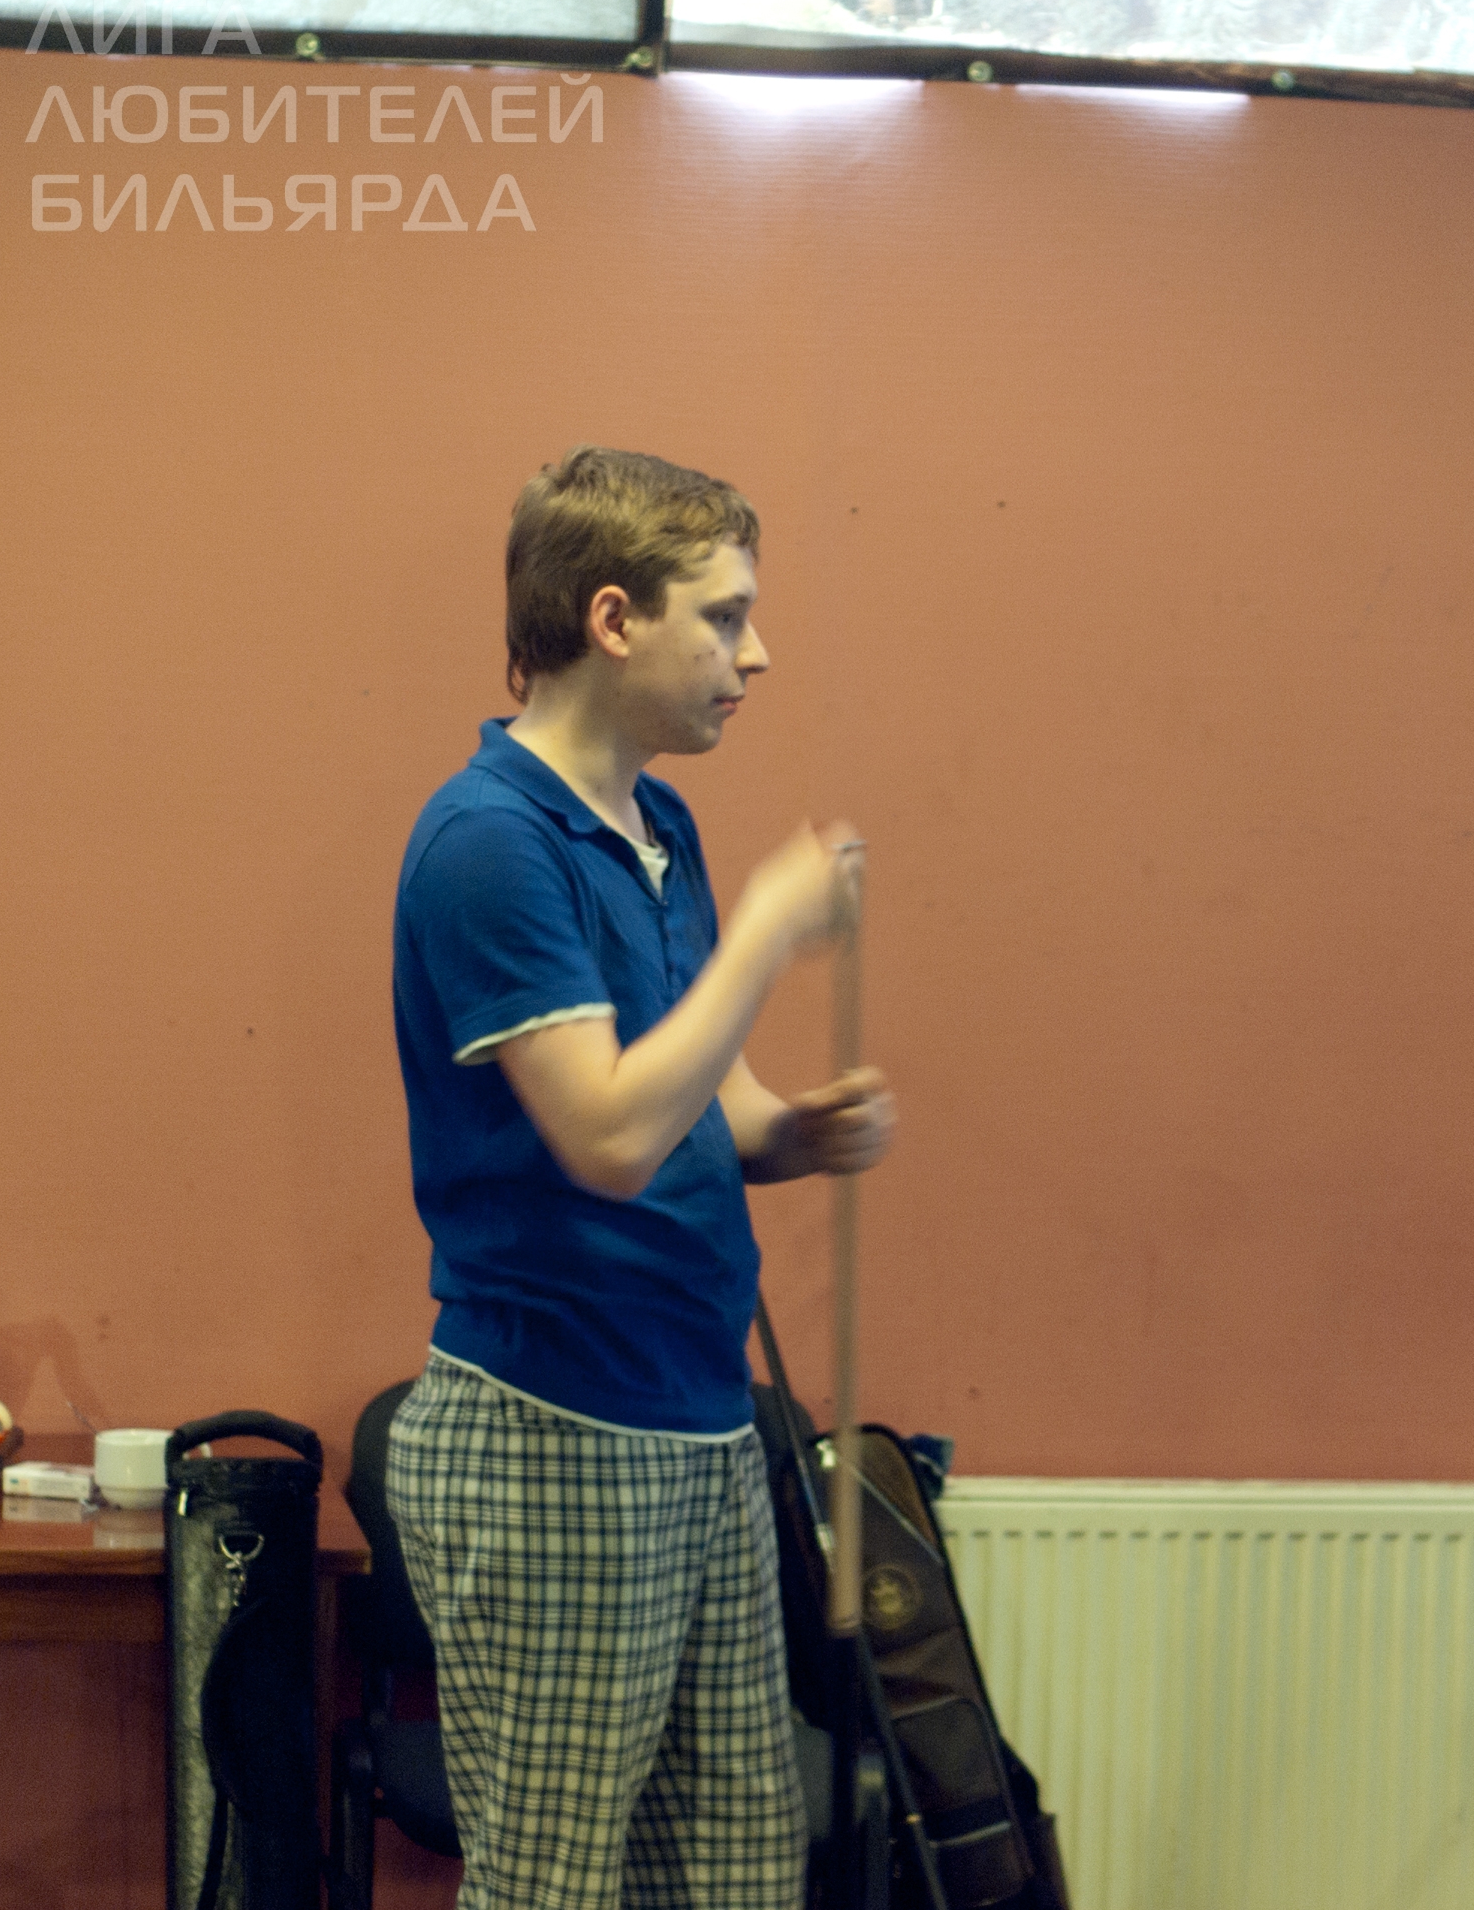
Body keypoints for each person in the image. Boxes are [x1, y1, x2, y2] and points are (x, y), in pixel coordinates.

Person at [384, 445, 892, 1907]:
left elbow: (701, 1103)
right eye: (723, 616)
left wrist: (797, 1133)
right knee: (550, 1886)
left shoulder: (659, 827)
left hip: (696, 1422)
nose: (755, 653)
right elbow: (607, 1137)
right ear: (613, 618)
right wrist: (771, 932)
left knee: (729, 1873)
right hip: (552, 1432)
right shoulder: (489, 841)